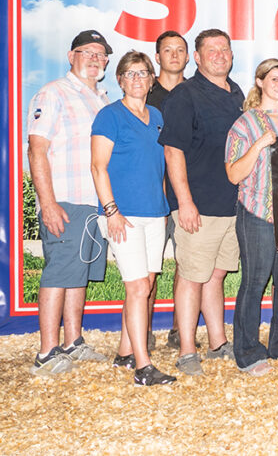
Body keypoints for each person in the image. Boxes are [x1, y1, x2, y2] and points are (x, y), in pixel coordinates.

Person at [159, 28, 244, 376]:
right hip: (198, 204)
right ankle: (187, 351)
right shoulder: (185, 95)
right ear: (197, 57)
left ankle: (218, 343)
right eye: (211, 50)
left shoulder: (239, 93)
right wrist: (184, 201)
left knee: (216, 274)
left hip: (232, 204)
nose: (219, 55)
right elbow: (172, 149)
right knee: (192, 275)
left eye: (225, 49)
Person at [27, 30, 112, 375]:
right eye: (86, 52)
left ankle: (73, 342)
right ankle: (46, 352)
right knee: (59, 273)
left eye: (100, 53)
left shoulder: (103, 99)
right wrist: (47, 202)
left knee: (79, 274)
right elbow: (37, 149)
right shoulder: (53, 92)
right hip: (65, 199)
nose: (94, 58)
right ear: (70, 55)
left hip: (94, 203)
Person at [90, 50, 176, 386]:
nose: (138, 79)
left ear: (152, 79)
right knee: (138, 286)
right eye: (131, 73)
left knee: (147, 285)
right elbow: (98, 167)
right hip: (121, 215)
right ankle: (143, 367)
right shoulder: (108, 116)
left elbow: (163, 165)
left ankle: (125, 352)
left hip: (155, 213)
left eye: (144, 73)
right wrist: (111, 211)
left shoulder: (156, 115)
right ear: (121, 79)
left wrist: (165, 210)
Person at [225, 58, 278, 376]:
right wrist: (260, 145)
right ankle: (247, 352)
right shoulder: (245, 124)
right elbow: (234, 173)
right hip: (257, 211)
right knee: (255, 282)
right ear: (260, 82)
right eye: (275, 78)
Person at [146, 30, 189, 351]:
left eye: (180, 50)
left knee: (187, 265)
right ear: (157, 57)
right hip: (149, 195)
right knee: (148, 268)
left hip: (189, 195)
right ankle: (142, 330)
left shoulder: (197, 93)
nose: (174, 55)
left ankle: (179, 330)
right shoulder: (144, 94)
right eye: (167, 50)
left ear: (189, 57)